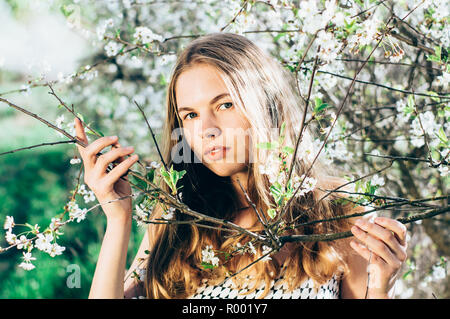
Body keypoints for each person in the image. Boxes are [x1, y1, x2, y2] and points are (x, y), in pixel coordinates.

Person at [74, 32, 408, 299]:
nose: (206, 130)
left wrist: (381, 290)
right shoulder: (177, 219)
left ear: (265, 103)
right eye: (190, 115)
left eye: (225, 104)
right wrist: (118, 218)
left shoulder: (335, 211)